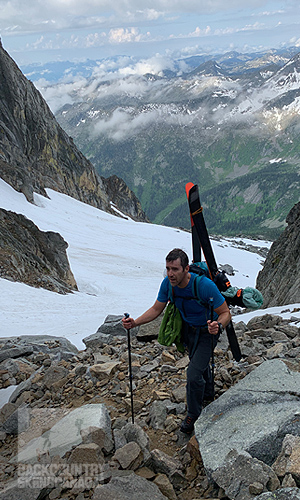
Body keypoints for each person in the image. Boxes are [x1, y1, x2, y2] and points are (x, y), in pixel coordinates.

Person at [122, 248, 231, 434]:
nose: (170, 274)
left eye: (175, 269)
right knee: (199, 362)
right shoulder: (167, 284)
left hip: (207, 331)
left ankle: (194, 414)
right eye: (168, 269)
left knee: (193, 373)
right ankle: (207, 390)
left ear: (186, 269)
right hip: (187, 330)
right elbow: (156, 309)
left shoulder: (204, 285)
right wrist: (135, 323)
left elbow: (225, 312)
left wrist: (218, 327)